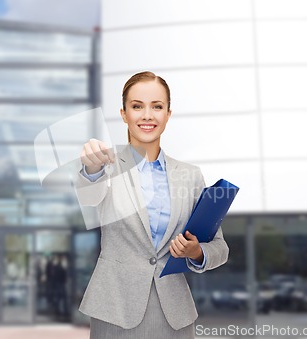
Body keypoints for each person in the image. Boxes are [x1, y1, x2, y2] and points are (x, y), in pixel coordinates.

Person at [75, 71, 229, 339]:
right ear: (124, 114)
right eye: (137, 106)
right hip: (115, 309)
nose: (147, 115)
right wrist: (90, 168)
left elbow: (220, 247)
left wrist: (196, 252)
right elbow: (89, 200)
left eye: (157, 106)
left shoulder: (189, 175)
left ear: (168, 114)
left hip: (174, 313)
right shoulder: (105, 165)